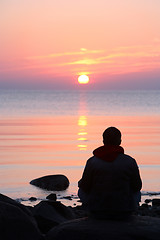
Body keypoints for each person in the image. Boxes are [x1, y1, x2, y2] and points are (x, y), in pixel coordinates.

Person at [78, 127, 142, 220]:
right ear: (120, 141)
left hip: (98, 209)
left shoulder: (92, 162)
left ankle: (92, 212)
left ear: (103, 141)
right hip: (123, 209)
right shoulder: (129, 161)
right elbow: (137, 186)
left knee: (80, 188)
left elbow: (85, 187)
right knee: (137, 192)